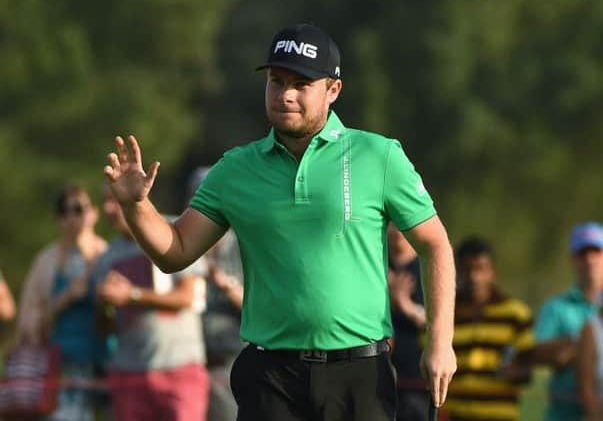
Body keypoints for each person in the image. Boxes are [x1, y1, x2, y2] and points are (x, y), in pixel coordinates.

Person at [103, 23, 457, 421]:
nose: (285, 94)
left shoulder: (379, 155)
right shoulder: (236, 169)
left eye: (301, 84)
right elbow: (176, 251)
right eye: (276, 81)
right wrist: (137, 206)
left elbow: (435, 245)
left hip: (359, 373)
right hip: (270, 376)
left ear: (333, 90)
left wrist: (440, 342)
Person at [93, 185, 209, 421]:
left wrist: (132, 294)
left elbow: (188, 297)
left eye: (114, 200)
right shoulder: (107, 258)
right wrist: (106, 302)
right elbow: (105, 330)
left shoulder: (174, 231)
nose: (108, 208)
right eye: (104, 202)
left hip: (180, 369)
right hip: (128, 374)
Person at [16, 184, 108, 421]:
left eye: (78, 208)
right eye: (63, 211)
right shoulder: (45, 262)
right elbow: (28, 326)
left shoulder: (108, 256)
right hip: (61, 371)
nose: (72, 217)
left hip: (106, 369)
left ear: (93, 213)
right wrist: (64, 299)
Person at [443, 237, 534, 421]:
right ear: (457, 271)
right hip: (454, 415)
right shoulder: (445, 313)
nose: (473, 277)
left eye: (480, 269)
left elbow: (528, 369)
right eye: (467, 269)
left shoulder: (516, 314)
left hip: (499, 415)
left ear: (493, 272)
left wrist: (513, 372)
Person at [187, 167, 244, 421]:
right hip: (191, 365)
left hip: (232, 361)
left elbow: (260, 305)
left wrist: (224, 284)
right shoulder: (185, 246)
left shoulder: (242, 244)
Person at [535, 222, 603, 421]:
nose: (589, 259)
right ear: (573, 260)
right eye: (582, 253)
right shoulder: (556, 308)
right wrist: (582, 344)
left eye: (595, 251)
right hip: (563, 416)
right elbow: (538, 352)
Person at [387, 223, 429, 421]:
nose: (396, 232)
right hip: (379, 376)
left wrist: (404, 304)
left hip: (418, 381)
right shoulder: (374, 263)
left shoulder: (428, 267)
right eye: (391, 225)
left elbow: (438, 321)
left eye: (401, 225)